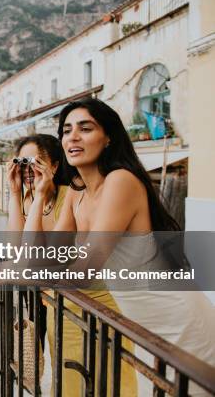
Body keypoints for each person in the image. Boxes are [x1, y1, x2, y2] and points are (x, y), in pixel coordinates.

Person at [26, 98, 215, 396]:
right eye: (66, 130)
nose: (72, 136)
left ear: (109, 137)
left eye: (85, 128)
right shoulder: (77, 191)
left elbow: (86, 267)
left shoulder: (121, 181)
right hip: (140, 327)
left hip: (176, 321)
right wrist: (37, 196)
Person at [7, 134, 137, 397]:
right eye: (22, 164)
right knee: (68, 377)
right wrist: (13, 193)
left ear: (54, 166)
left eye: (34, 162)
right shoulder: (29, 200)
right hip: (58, 305)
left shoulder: (70, 196)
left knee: (103, 378)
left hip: (89, 303)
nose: (27, 171)